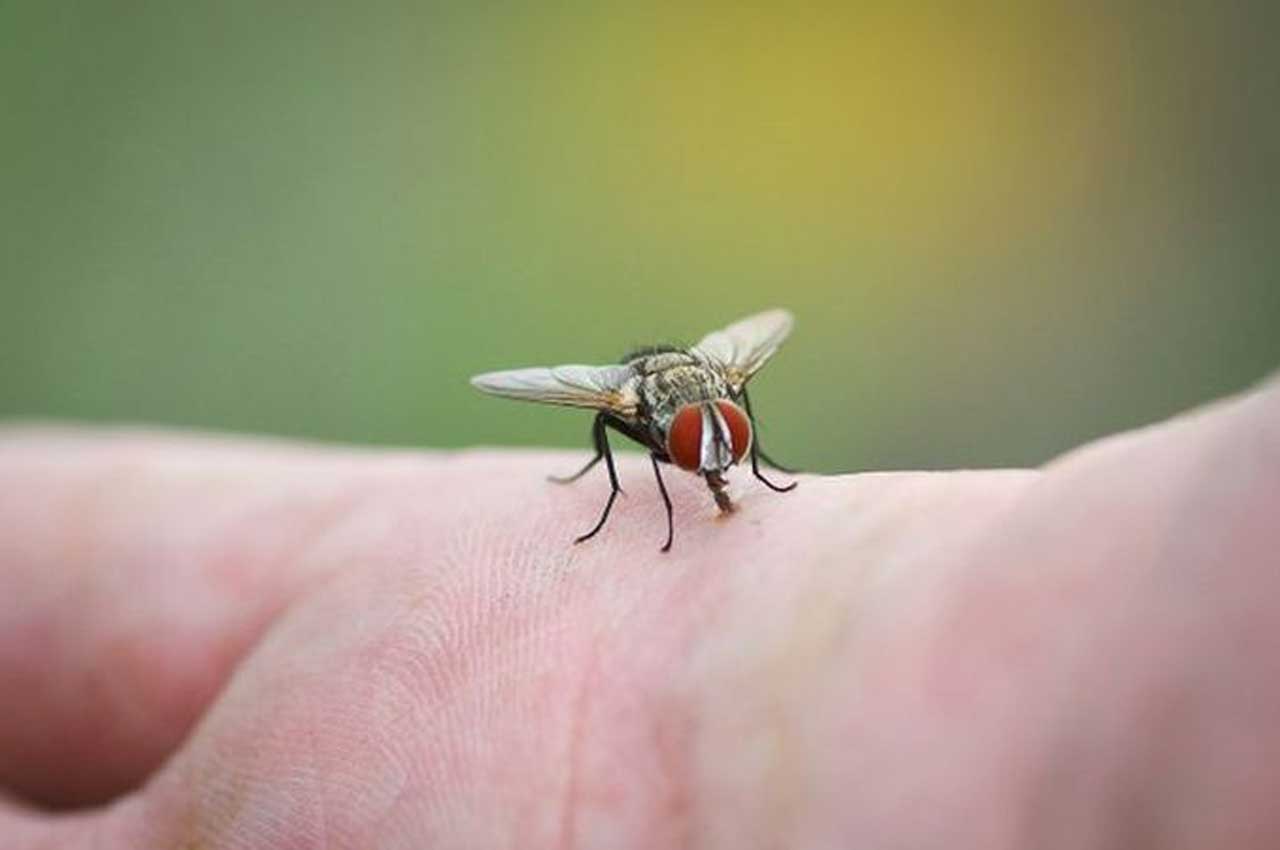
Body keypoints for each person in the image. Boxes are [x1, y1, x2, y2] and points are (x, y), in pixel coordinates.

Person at [1, 376, 1277, 849]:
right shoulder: (624, 419)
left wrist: (745, 463)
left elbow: (730, 401)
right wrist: (639, 484)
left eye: (720, 438)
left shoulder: (720, 409)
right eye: (700, 441)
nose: (712, 452)